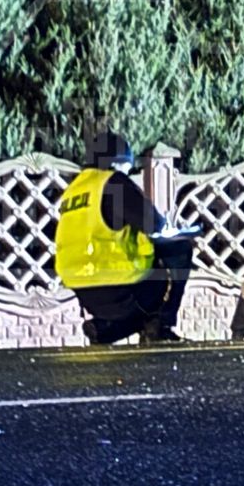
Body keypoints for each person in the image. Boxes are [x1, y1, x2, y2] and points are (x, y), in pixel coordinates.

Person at [55, 131, 192, 344]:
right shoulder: (114, 183)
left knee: (136, 307)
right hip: (123, 287)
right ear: (118, 162)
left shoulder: (74, 190)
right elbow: (153, 224)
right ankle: (163, 325)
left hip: (83, 290)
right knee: (180, 249)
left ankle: (105, 329)